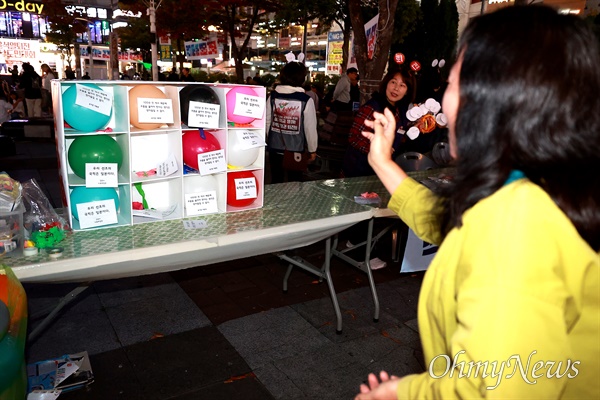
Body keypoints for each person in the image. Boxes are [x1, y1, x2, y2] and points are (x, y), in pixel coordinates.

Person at [354, 6, 599, 400]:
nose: (443, 102)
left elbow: (500, 388)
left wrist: (407, 392)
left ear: (490, 100)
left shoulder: (516, 227)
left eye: (451, 84)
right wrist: (382, 162)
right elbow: (452, 229)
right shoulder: (538, 186)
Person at [341, 66, 417, 178]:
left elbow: (399, 135)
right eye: (393, 82)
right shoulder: (372, 108)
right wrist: (378, 149)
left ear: (407, 91)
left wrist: (416, 127)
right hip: (359, 170)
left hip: (382, 172)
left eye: (402, 85)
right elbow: (354, 137)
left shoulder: (400, 110)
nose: (396, 88)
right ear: (386, 83)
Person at [266, 61, 318, 183]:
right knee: (294, 184)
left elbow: (267, 122)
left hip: (274, 147)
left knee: (276, 182)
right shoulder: (305, 100)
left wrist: (270, 139)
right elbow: (310, 128)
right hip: (296, 150)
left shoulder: (272, 97)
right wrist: (312, 149)